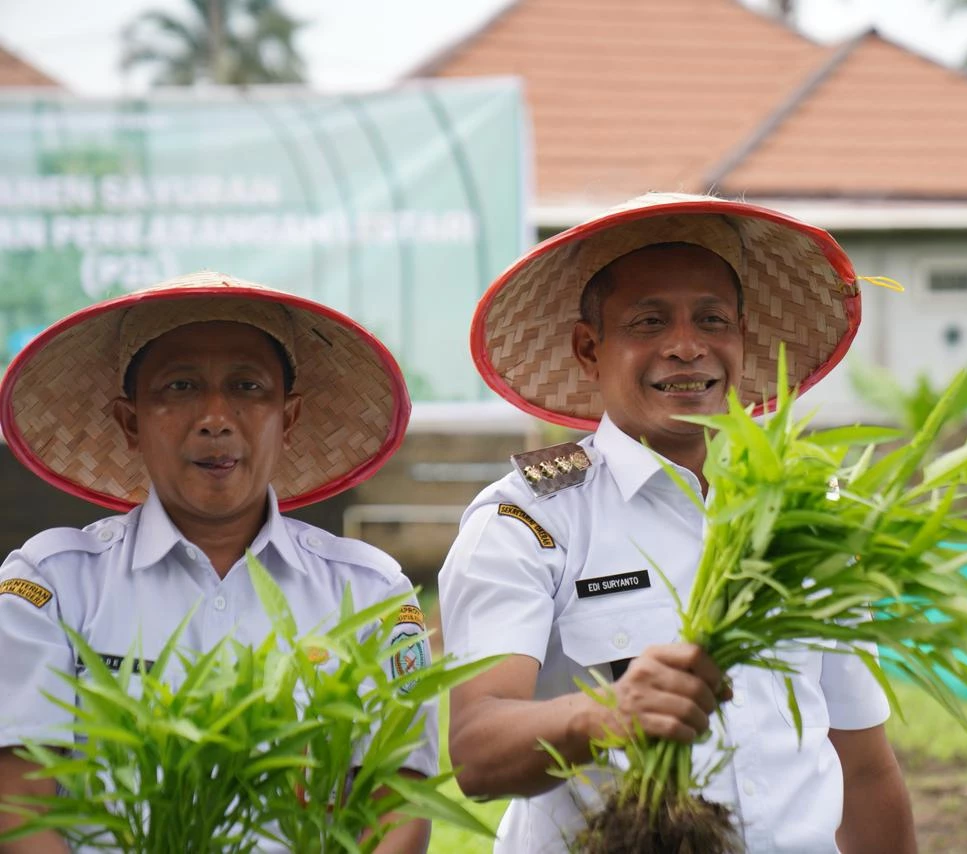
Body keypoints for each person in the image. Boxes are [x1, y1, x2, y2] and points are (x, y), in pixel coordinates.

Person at [440, 193, 915, 853]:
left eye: (712, 319)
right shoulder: (529, 520)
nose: (687, 347)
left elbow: (864, 765)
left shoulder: (808, 519)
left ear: (742, 342)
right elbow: (476, 751)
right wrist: (606, 715)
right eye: (648, 321)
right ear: (588, 349)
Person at [0, 272, 432, 854]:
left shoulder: (370, 595)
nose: (215, 417)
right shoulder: (50, 588)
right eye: (179, 386)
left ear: (290, 417)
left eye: (248, 386)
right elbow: (20, 809)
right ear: (130, 422)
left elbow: (399, 811)